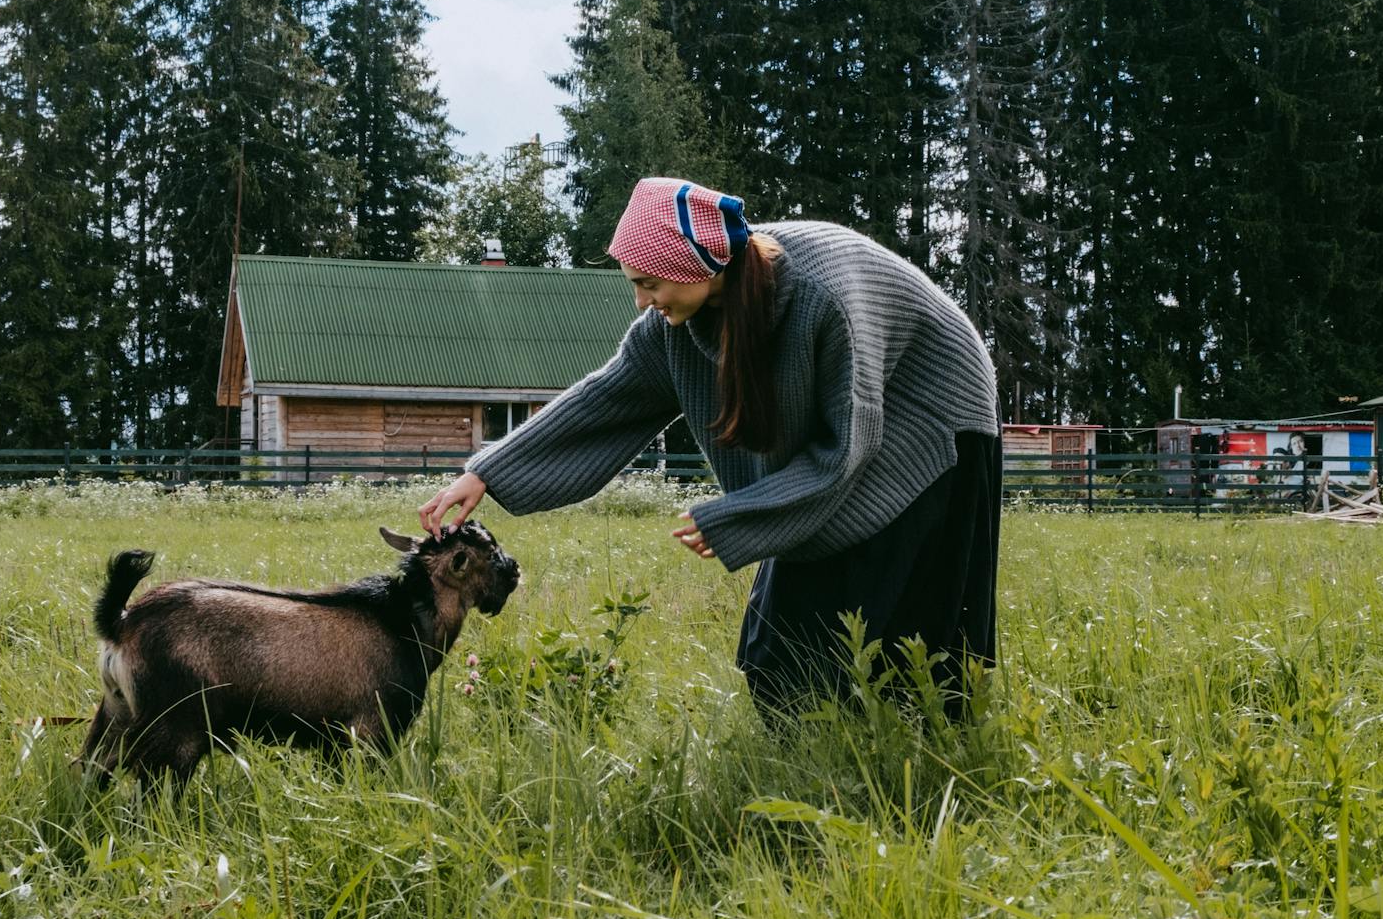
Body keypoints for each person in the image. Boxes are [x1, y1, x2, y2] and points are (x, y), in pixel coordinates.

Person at [418, 177, 1001, 719]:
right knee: (780, 657)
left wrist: (739, 514)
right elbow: (607, 399)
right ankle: (818, 738)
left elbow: (846, 450)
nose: (643, 302)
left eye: (649, 283)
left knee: (904, 621)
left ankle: (918, 745)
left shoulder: (824, 297)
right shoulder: (676, 325)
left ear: (694, 264)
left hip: (930, 415)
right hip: (857, 431)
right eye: (635, 285)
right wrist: (487, 472)